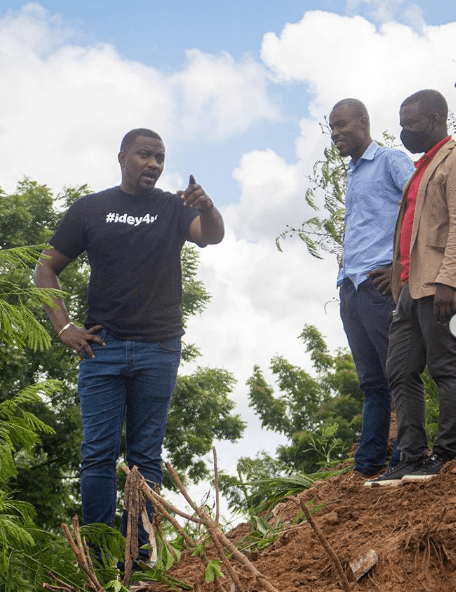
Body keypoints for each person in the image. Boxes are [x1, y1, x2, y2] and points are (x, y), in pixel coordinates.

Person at [33, 128, 224, 561]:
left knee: (145, 459)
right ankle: (100, 558)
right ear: (122, 157)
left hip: (159, 349)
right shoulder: (91, 209)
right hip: (102, 349)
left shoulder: (175, 208)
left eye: (159, 157)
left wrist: (208, 206)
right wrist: (65, 329)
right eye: (144, 155)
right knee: (98, 457)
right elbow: (45, 270)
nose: (153, 164)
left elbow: (210, 236)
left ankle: (139, 555)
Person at [329, 99, 414, 477]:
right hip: (351, 288)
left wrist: (400, 265)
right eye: (331, 128)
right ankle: (368, 464)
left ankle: (407, 455)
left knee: (398, 373)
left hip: (380, 287)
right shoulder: (352, 173)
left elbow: (421, 207)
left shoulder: (390, 161)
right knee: (372, 382)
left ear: (363, 123)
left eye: (342, 125)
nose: (335, 134)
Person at [373, 89, 456, 481]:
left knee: (444, 367)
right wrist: (396, 272)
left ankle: (448, 453)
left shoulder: (452, 161)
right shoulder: (420, 167)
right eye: (402, 123)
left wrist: (449, 281)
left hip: (438, 285)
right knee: (400, 370)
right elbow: (409, 230)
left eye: (413, 123)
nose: (405, 131)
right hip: (409, 287)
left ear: (437, 120)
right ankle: (410, 457)